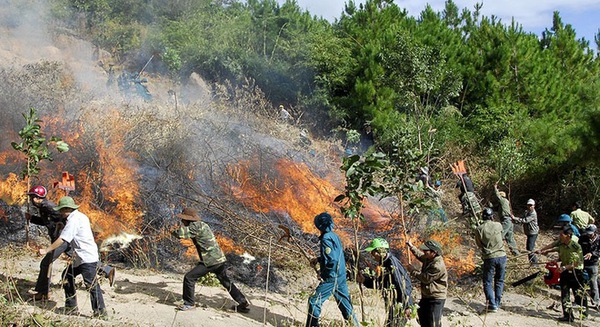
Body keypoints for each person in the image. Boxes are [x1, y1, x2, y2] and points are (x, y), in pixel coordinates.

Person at [39, 196, 107, 318]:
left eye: (61, 210)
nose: (60, 212)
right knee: (67, 275)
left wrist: (47, 250)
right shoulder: (79, 216)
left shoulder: (74, 220)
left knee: (91, 284)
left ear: (66, 209)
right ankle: (71, 307)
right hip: (80, 257)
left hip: (86, 257)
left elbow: (63, 239)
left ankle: (101, 313)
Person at [171, 208, 250, 312]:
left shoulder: (195, 226)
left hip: (211, 260)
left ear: (187, 219)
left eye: (183, 219)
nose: (182, 221)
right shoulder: (202, 224)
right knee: (225, 281)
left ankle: (189, 304)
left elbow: (179, 234)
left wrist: (170, 230)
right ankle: (242, 302)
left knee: (189, 278)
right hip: (219, 259)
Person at [306, 212, 359, 327]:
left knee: (314, 301)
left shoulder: (325, 238)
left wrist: (324, 273)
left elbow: (333, 260)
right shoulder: (334, 236)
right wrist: (319, 259)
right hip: (340, 275)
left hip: (332, 277)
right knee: (346, 305)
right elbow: (335, 255)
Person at [25, 185, 69, 301]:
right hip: (62, 239)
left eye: (32, 197)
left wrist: (61, 226)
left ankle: (42, 292)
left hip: (61, 240)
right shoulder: (43, 207)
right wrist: (32, 218)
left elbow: (63, 216)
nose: (31, 200)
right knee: (83, 259)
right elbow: (47, 222)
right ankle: (107, 270)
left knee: (46, 263)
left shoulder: (48, 206)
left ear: (37, 198)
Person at [357, 238, 413, 326]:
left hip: (399, 304)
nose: (372, 255)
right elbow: (381, 282)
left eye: (372, 252)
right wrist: (365, 280)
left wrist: (407, 305)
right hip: (392, 302)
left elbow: (402, 284)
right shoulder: (384, 263)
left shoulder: (391, 263)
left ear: (378, 252)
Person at [537, 226, 588, 322]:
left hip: (576, 272)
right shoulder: (561, 242)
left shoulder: (576, 247)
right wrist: (542, 250)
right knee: (565, 293)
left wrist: (564, 267)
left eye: (561, 235)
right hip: (564, 271)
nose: (559, 236)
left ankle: (584, 314)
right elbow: (553, 246)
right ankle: (568, 316)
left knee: (578, 294)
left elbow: (578, 263)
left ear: (568, 236)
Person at [406, 239, 447, 327]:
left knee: (433, 323)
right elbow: (420, 256)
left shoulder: (437, 266)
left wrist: (412, 270)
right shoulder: (429, 257)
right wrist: (411, 247)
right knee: (422, 318)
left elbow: (425, 278)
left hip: (436, 298)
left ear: (434, 252)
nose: (424, 252)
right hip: (426, 296)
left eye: (426, 251)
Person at [474, 208, 507, 313]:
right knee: (499, 280)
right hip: (502, 255)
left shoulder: (479, 229)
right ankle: (497, 303)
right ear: (492, 216)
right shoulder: (498, 225)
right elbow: (501, 237)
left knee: (488, 281)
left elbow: (479, 244)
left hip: (490, 257)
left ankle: (492, 305)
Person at [493, 184, 519, 255]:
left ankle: (495, 250)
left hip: (506, 220)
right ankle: (516, 253)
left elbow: (497, 196)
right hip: (509, 221)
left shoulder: (503, 200)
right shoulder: (504, 203)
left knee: (499, 235)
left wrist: (495, 188)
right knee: (510, 238)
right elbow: (495, 209)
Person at [512, 199, 539, 265]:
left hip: (533, 232)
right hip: (529, 232)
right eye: (528, 205)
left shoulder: (533, 214)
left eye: (531, 205)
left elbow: (525, 220)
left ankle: (535, 263)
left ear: (534, 206)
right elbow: (521, 219)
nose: (529, 206)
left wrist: (514, 218)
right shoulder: (527, 212)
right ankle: (532, 263)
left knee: (530, 249)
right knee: (529, 248)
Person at [579, 225, 599, 309]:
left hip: (593, 263)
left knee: (593, 283)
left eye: (590, 234)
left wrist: (592, 254)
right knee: (579, 281)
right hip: (582, 262)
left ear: (595, 232)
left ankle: (596, 302)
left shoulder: (599, 240)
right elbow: (578, 248)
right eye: (588, 233)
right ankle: (580, 300)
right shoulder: (583, 238)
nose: (589, 235)